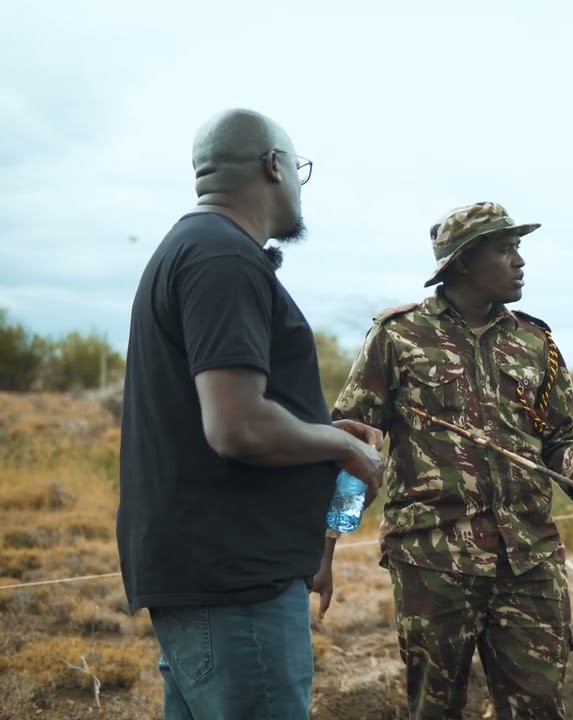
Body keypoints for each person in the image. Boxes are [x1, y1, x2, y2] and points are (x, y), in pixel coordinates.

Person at [116, 108, 385, 720]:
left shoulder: (193, 250)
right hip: (237, 589)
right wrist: (346, 449)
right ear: (273, 165)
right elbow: (235, 425)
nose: (297, 185)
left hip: (212, 581)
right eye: (299, 170)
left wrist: (319, 435)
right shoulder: (223, 258)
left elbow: (221, 413)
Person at [328, 200, 573, 719]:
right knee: (434, 709)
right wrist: (328, 540)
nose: (520, 262)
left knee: (538, 708)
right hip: (433, 561)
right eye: (505, 249)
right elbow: (353, 448)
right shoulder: (397, 338)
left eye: (519, 249)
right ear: (464, 262)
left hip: (529, 560)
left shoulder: (535, 342)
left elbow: (559, 436)